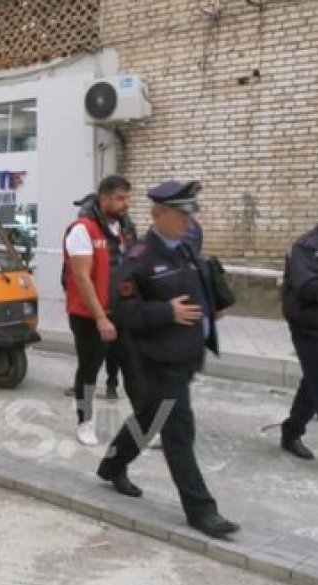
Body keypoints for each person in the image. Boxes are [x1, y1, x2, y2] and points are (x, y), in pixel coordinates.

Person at [97, 180, 239, 539]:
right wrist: (166, 312)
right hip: (159, 360)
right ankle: (202, 511)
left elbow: (194, 289)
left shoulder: (185, 250)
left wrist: (213, 309)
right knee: (179, 433)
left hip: (185, 355)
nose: (188, 221)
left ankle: (112, 465)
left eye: (190, 213)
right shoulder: (140, 258)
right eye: (181, 214)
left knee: (148, 417)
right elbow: (123, 312)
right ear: (158, 214)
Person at [63, 176, 145, 446]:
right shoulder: (82, 230)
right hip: (90, 317)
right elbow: (82, 278)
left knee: (133, 369)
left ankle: (145, 424)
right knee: (89, 370)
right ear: (104, 198)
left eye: (127, 198)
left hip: (122, 314)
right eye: (121, 198)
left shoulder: (123, 229)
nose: (125, 204)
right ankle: (84, 422)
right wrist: (100, 318)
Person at [277, 223, 318, 460]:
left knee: (312, 382)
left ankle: (291, 431)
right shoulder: (305, 247)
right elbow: (306, 287)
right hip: (308, 327)